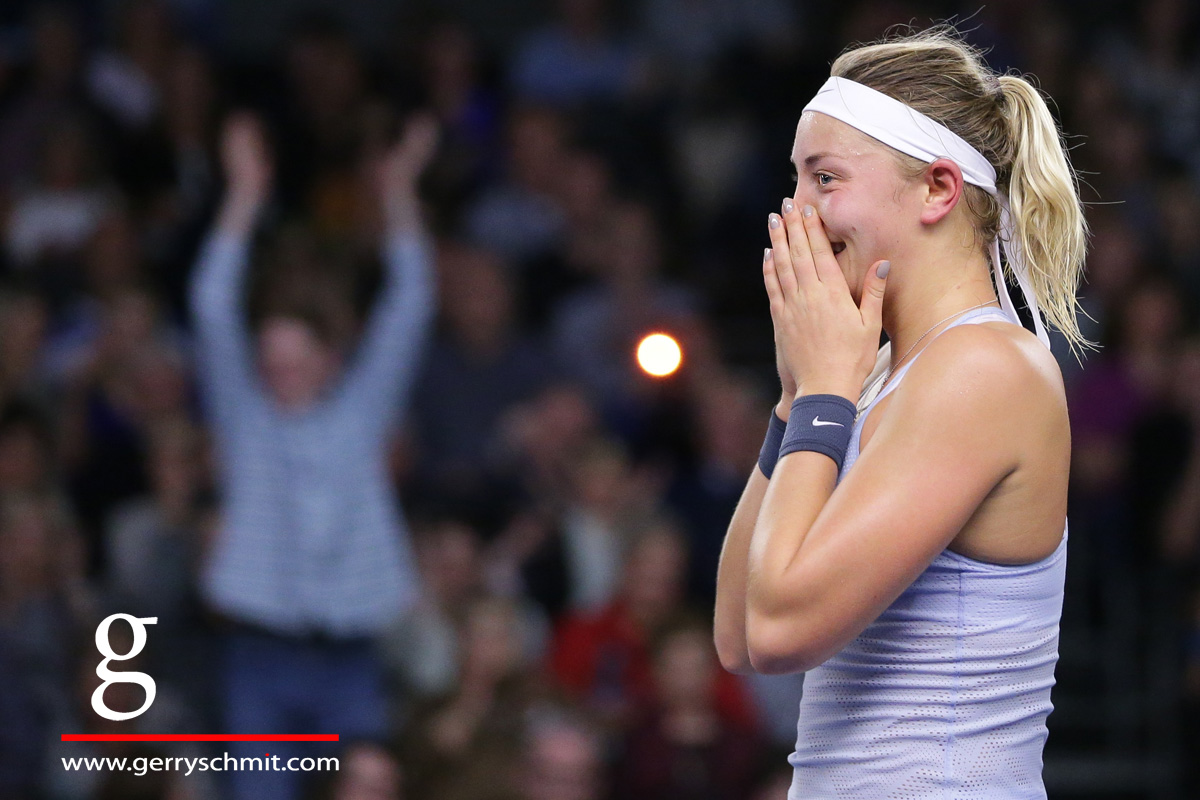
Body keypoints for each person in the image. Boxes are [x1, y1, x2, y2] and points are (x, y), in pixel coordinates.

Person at [713, 27, 1085, 798]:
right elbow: (737, 633)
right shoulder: (870, 373)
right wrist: (793, 401)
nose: (799, 214)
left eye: (825, 179)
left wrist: (820, 393)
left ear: (939, 190)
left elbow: (782, 632)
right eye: (796, 181)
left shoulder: (985, 369)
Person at [189, 112, 436, 800]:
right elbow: (211, 306)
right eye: (271, 362)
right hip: (260, 648)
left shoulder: (361, 411)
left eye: (296, 363)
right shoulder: (246, 415)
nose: (281, 376)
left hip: (350, 652)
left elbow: (409, 305)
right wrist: (243, 193)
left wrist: (397, 192)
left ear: (329, 359)